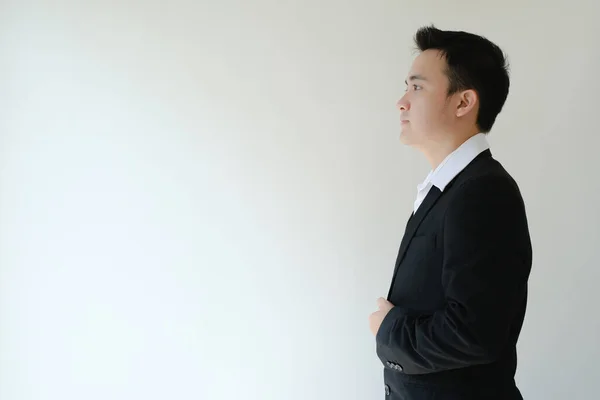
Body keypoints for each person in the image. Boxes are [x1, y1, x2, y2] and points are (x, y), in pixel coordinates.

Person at [368, 26, 533, 400]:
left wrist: (389, 330)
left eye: (417, 87)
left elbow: (473, 333)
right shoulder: (452, 189)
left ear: (463, 103)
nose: (401, 102)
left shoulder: (482, 192)